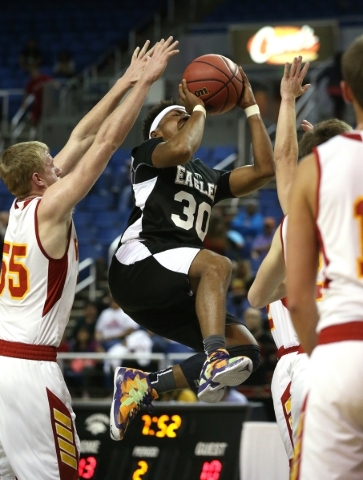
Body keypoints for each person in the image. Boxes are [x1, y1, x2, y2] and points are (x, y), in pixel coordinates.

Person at [0, 37, 179, 480]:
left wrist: (123, 81)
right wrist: (145, 87)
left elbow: (80, 134)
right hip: (29, 369)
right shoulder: (51, 207)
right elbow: (102, 144)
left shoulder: (26, 206)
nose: (59, 165)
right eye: (51, 163)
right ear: (40, 178)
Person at [108, 65, 275, 440]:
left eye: (188, 116)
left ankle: (142, 386)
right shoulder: (148, 154)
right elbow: (182, 147)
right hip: (139, 261)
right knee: (217, 264)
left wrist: (250, 107)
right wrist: (198, 109)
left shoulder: (209, 177)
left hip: (171, 279)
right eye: (177, 118)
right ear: (157, 132)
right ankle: (213, 359)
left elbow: (265, 170)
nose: (186, 120)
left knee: (246, 350)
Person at [248, 58, 352, 466]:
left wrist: (287, 101)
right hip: (348, 351)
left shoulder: (299, 214)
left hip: (303, 359)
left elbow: (285, 162)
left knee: (309, 469)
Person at [287, 36, 363, 480]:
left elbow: (297, 299)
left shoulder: (314, 167)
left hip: (339, 352)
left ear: (346, 92)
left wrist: (325, 359)